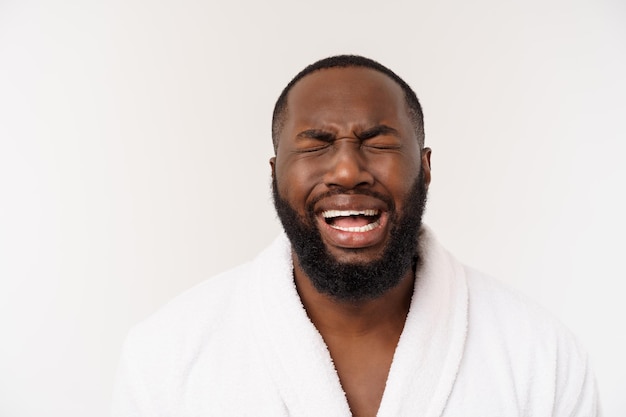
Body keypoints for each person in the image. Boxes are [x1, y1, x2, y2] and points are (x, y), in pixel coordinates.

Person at [111, 55, 599, 416]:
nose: (347, 170)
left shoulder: (539, 354)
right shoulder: (168, 355)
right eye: (317, 145)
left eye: (378, 141)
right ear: (276, 172)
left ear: (425, 168)